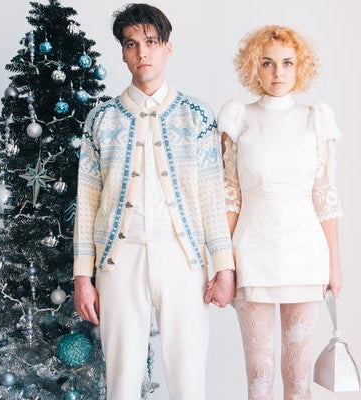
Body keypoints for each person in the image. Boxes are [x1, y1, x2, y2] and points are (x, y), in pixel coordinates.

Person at [73, 4, 235, 399]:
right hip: (119, 258)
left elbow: (212, 194)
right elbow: (87, 200)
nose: (141, 52)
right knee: (122, 378)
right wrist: (82, 275)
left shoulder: (196, 116)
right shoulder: (101, 119)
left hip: (183, 258)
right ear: (123, 53)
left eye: (150, 42)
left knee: (188, 376)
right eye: (131, 45)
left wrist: (224, 267)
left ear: (167, 48)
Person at [211, 25, 343, 399]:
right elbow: (230, 197)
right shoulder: (239, 117)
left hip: (306, 254)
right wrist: (223, 264)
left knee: (298, 377)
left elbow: (325, 196)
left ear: (300, 66)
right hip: (252, 253)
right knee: (259, 374)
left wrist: (335, 265)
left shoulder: (315, 118)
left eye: (287, 63)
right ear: (255, 67)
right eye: (268, 63)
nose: (278, 72)